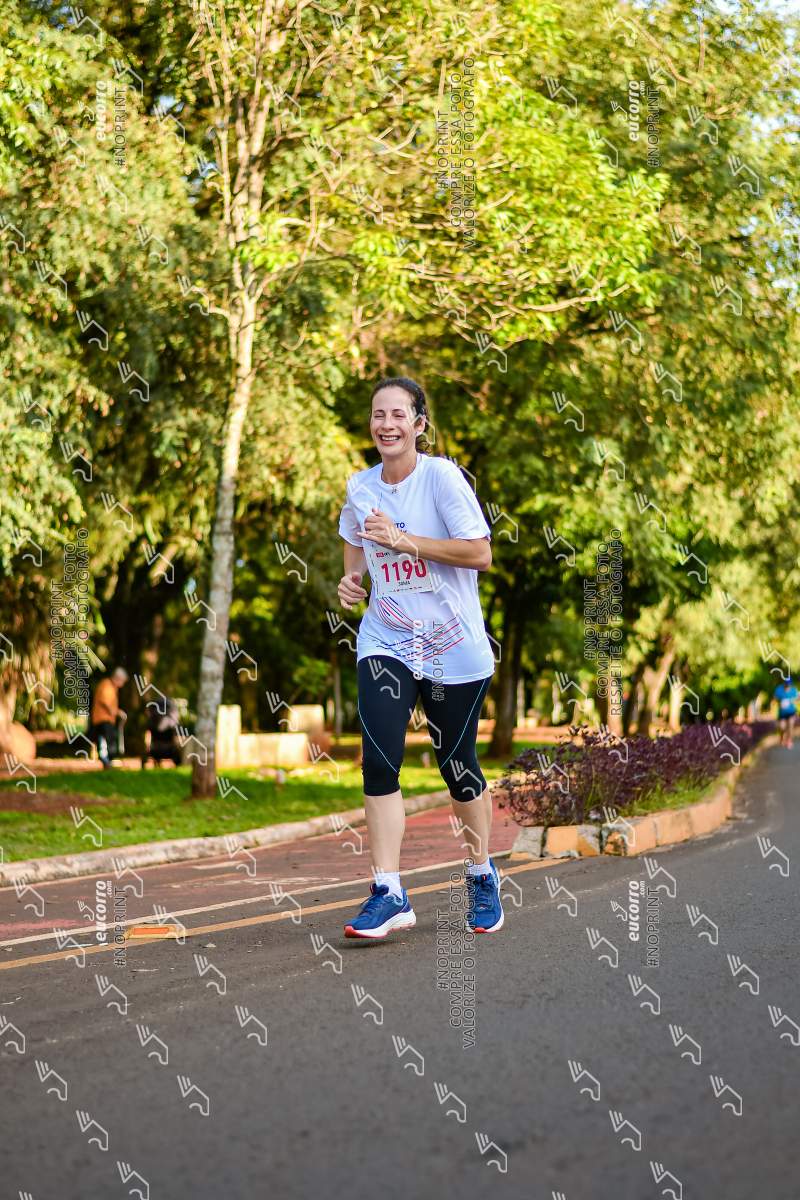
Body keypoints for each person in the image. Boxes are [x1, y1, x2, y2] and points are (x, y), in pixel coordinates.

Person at [337, 376, 501, 939]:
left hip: (452, 645)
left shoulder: (441, 478)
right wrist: (353, 578)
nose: (386, 424)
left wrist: (406, 541)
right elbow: (354, 539)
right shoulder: (361, 487)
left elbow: (480, 553)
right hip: (387, 638)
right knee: (379, 759)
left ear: (418, 424)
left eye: (397, 415)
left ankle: (481, 873)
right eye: (378, 414)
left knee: (457, 767)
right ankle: (388, 890)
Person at [90, 667, 128, 768]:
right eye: (122, 682)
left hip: (103, 719)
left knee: (103, 741)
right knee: (109, 740)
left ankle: (107, 761)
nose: (122, 685)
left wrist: (117, 712)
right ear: (118, 678)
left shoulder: (110, 686)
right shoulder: (107, 685)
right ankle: (108, 761)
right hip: (103, 719)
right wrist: (116, 712)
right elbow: (105, 701)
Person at [142, 698, 181, 768]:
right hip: (169, 751)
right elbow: (176, 739)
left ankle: (157, 764)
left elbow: (147, 738)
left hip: (155, 750)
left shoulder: (152, 722)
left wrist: (147, 747)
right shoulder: (172, 723)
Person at [774, 675, 798, 747]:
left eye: (789, 684)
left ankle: (789, 740)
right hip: (782, 713)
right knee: (782, 727)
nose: (787, 686)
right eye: (786, 684)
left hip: (791, 712)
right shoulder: (779, 689)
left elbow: (797, 698)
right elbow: (775, 698)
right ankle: (782, 738)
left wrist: (794, 700)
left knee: (790, 725)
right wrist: (779, 702)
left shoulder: (794, 690)